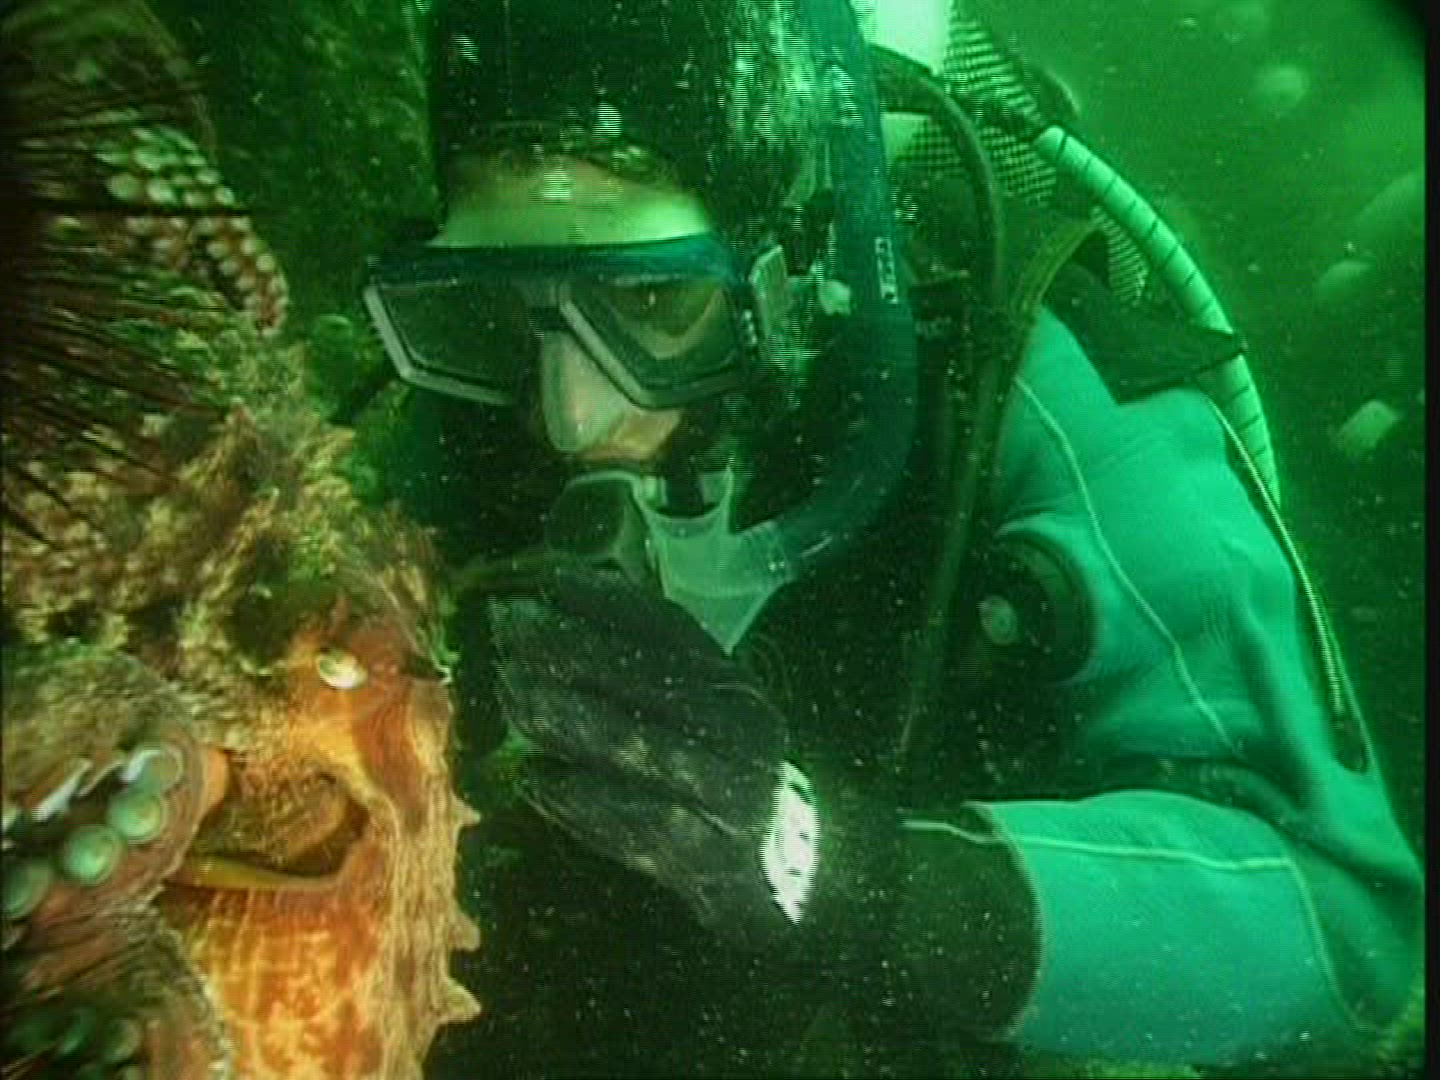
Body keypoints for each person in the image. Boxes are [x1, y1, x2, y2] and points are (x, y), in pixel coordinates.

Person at [361, 0, 1422, 1075]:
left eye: (652, 297)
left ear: (784, 262)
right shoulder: (472, 403)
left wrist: (827, 866)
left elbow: (1342, 922)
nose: (571, 415)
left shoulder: (1035, 388)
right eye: (500, 302)